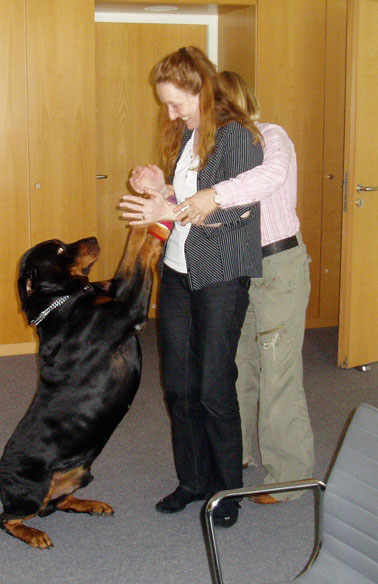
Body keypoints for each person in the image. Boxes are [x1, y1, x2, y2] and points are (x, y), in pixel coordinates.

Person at [119, 47, 263, 527]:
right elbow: (188, 198)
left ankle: (227, 491)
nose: (171, 113)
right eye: (165, 104)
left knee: (213, 386)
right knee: (178, 386)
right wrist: (161, 188)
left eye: (177, 103)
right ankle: (193, 481)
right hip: (179, 273)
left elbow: (235, 210)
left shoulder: (237, 135)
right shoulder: (190, 134)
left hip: (221, 275)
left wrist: (169, 210)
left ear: (201, 90)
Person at [172, 71, 315, 503]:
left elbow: (269, 176)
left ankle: (289, 478)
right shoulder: (218, 146)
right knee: (237, 365)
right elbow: (196, 203)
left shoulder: (271, 135)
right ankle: (242, 455)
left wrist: (215, 193)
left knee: (278, 373)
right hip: (237, 267)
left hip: (276, 266)